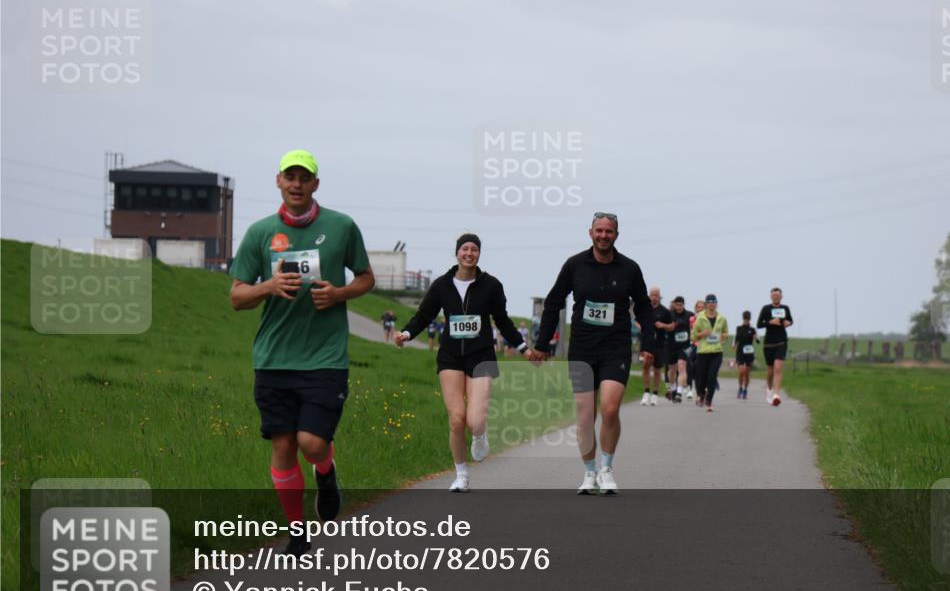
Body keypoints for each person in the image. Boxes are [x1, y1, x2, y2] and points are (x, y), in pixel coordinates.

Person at [230, 149, 375, 556]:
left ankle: (325, 472)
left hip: (325, 358)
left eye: (304, 178)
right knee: (282, 445)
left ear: (315, 184)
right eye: (289, 177)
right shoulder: (260, 234)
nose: (296, 184)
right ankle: (297, 532)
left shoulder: (342, 227)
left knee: (311, 443)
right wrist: (268, 287)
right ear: (278, 181)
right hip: (274, 358)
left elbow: (366, 277)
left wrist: (341, 293)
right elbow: (237, 297)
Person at [396, 234, 534, 492]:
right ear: (457, 253)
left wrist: (524, 348)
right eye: (464, 249)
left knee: (475, 420)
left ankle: (480, 434)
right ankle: (461, 475)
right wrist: (406, 334)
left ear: (479, 254)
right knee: (457, 418)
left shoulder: (491, 285)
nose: (469, 253)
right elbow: (424, 315)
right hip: (450, 356)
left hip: (481, 355)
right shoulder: (441, 285)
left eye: (474, 249)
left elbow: (502, 321)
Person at [530, 213, 656, 495]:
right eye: (599, 230)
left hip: (616, 347)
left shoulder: (630, 269)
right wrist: (541, 344)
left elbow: (645, 308)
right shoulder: (574, 265)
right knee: (585, 417)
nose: (603, 235)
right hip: (583, 349)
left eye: (608, 231)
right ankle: (589, 472)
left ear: (616, 235)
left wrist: (649, 344)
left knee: (610, 409)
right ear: (590, 233)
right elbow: (553, 303)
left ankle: (607, 469)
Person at [756, 287, 794, 406]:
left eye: (778, 295)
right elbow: (759, 324)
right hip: (768, 343)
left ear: (781, 297)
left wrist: (788, 323)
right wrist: (770, 322)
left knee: (778, 368)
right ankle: (769, 389)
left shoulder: (785, 308)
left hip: (781, 342)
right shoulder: (766, 308)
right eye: (774, 296)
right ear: (771, 297)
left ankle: (776, 394)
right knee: (770, 370)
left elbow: (790, 321)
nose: (776, 297)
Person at [691, 294, 729, 412]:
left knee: (712, 377)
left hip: (717, 352)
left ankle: (709, 401)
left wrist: (723, 337)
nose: (712, 303)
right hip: (703, 351)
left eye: (714, 301)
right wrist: (702, 334)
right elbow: (693, 336)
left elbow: (726, 333)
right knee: (701, 377)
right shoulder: (700, 318)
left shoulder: (722, 318)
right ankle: (701, 394)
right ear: (706, 304)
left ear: (716, 304)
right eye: (709, 301)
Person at [641, 286, 672, 406]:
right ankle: (646, 392)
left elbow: (672, 326)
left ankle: (655, 394)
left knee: (657, 369)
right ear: (649, 296)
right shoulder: (645, 309)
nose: (654, 297)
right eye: (652, 295)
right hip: (647, 341)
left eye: (656, 295)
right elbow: (638, 321)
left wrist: (662, 325)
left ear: (659, 297)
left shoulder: (665, 311)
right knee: (645, 365)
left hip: (659, 343)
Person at [665, 296, 695, 403]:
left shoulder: (690, 315)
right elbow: (662, 325)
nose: (679, 307)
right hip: (671, 346)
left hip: (685, 346)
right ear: (674, 305)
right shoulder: (669, 314)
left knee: (682, 367)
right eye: (677, 305)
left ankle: (679, 392)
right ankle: (673, 388)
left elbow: (695, 325)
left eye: (681, 305)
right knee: (671, 370)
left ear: (684, 305)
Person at [733, 310, 759, 400]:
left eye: (747, 319)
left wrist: (756, 338)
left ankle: (745, 390)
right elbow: (736, 338)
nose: (746, 320)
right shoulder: (738, 328)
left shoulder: (752, 329)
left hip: (749, 353)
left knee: (747, 373)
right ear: (743, 318)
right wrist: (734, 345)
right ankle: (740, 388)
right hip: (740, 352)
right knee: (741, 371)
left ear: (749, 319)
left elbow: (758, 341)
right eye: (745, 319)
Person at [685, 299, 705, 399]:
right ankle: (689, 388)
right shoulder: (691, 319)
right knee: (689, 366)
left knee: (699, 368)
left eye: (702, 307)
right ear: (695, 309)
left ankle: (700, 390)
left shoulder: (707, 320)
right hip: (691, 345)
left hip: (703, 346)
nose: (700, 309)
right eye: (698, 307)